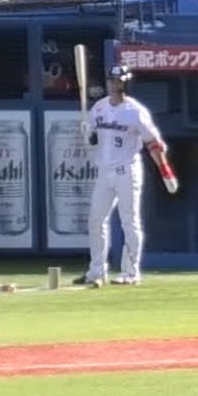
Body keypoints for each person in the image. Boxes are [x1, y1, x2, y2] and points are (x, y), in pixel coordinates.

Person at [73, 65, 167, 287]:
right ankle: (97, 271)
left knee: (129, 221)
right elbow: (94, 140)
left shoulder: (135, 111)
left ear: (126, 83)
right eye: (112, 81)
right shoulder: (98, 108)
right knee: (96, 219)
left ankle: (131, 272)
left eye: (119, 81)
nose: (115, 85)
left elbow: (154, 142)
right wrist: (87, 135)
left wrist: (166, 171)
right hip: (104, 172)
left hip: (127, 170)